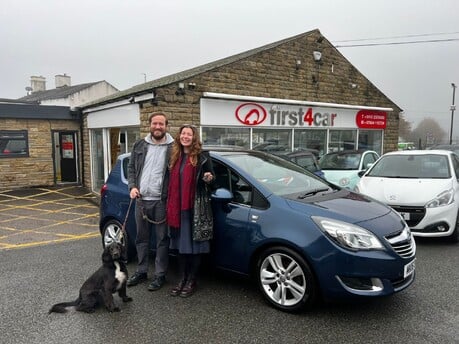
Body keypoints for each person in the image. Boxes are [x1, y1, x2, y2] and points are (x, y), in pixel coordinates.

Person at [126, 112, 174, 291]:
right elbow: (131, 168)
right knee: (141, 238)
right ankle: (141, 271)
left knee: (162, 239)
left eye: (161, 124)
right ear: (150, 125)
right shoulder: (139, 144)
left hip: (162, 201)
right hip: (141, 200)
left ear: (166, 126)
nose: (158, 127)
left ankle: (160, 275)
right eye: (155, 123)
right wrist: (132, 187)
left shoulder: (173, 147)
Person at [166, 124, 215, 298]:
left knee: (194, 247)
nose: (185, 137)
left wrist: (208, 178)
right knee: (180, 247)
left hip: (194, 209)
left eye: (189, 134)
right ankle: (182, 279)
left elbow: (212, 180)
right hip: (176, 209)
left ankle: (191, 280)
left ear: (194, 138)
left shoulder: (202, 157)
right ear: (179, 136)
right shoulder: (174, 156)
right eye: (183, 133)